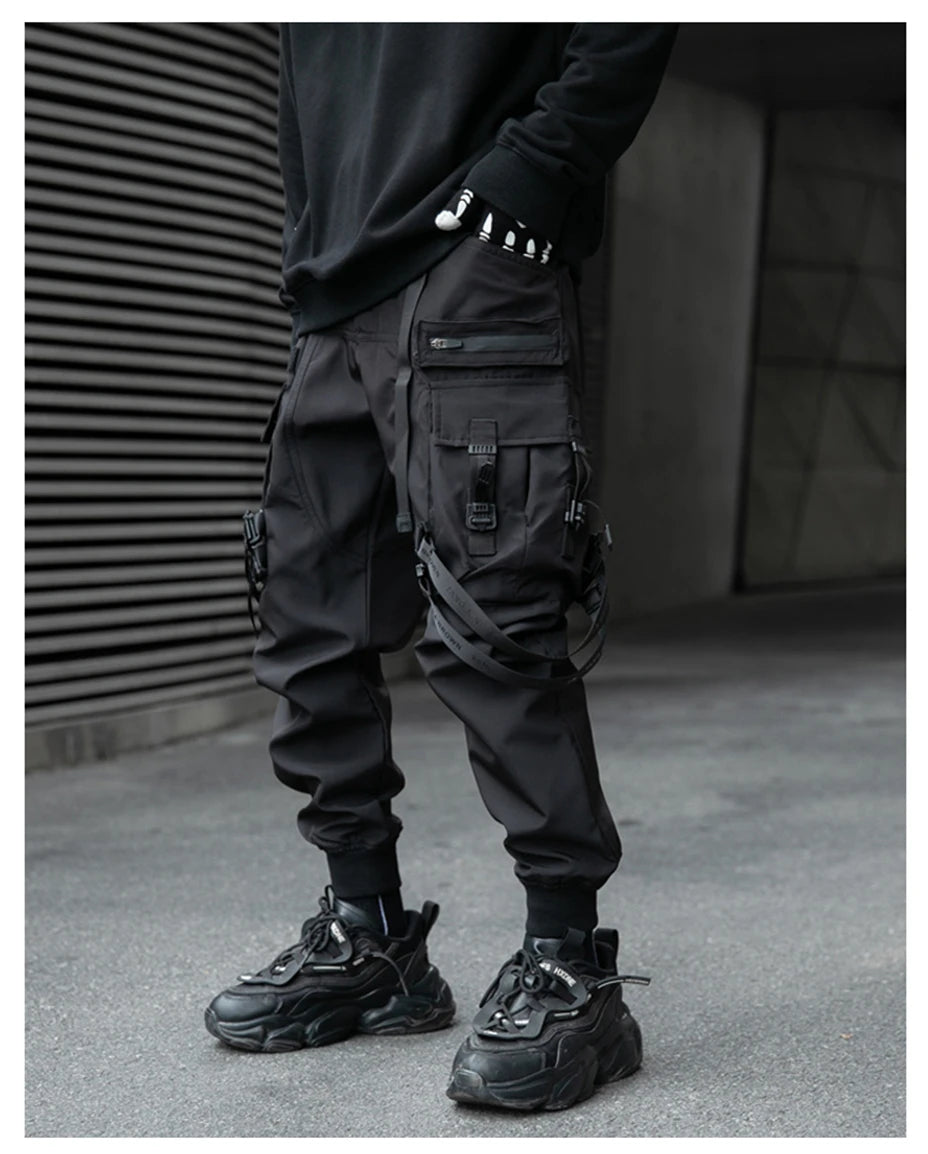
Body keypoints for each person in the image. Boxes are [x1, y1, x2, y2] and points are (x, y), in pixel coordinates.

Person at [205, 22, 677, 1112]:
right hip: (332, 290)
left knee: (493, 620)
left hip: (473, 265)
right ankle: (368, 938)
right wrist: (309, 241)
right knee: (306, 617)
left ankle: (570, 964)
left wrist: (536, 171)